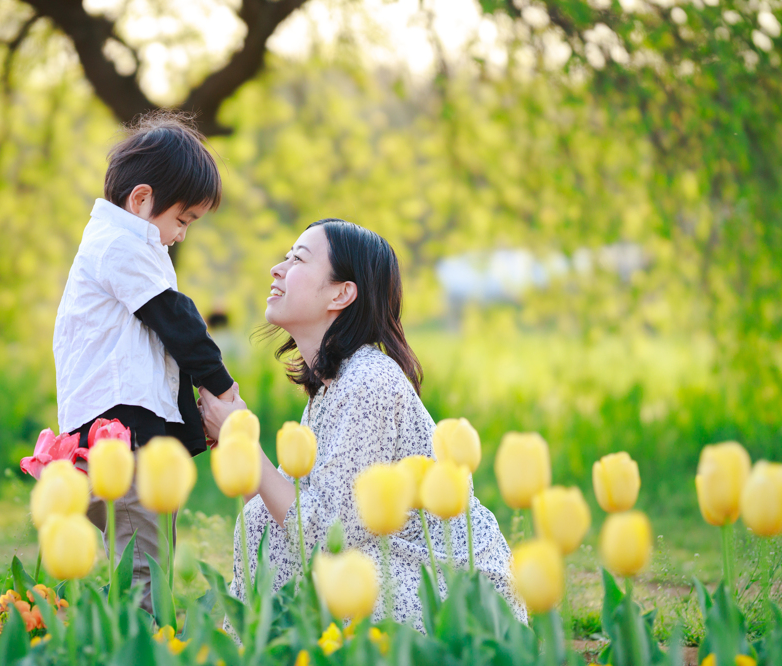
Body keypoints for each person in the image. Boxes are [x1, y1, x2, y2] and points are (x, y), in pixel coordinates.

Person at [199, 219, 526, 629]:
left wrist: (244, 443)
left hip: (451, 590)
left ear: (342, 293)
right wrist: (238, 443)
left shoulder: (370, 381)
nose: (277, 269)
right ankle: (264, 660)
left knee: (316, 566)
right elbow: (279, 523)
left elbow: (327, 539)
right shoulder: (331, 388)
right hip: (393, 569)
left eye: (297, 259)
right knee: (262, 526)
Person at [53, 112, 237, 612]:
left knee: (150, 554)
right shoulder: (118, 245)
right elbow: (177, 322)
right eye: (182, 220)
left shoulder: (126, 245)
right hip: (118, 439)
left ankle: (137, 646)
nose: (181, 235)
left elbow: (160, 355)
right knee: (144, 570)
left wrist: (197, 419)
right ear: (141, 200)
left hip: (132, 436)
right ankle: (140, 655)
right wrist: (223, 389)